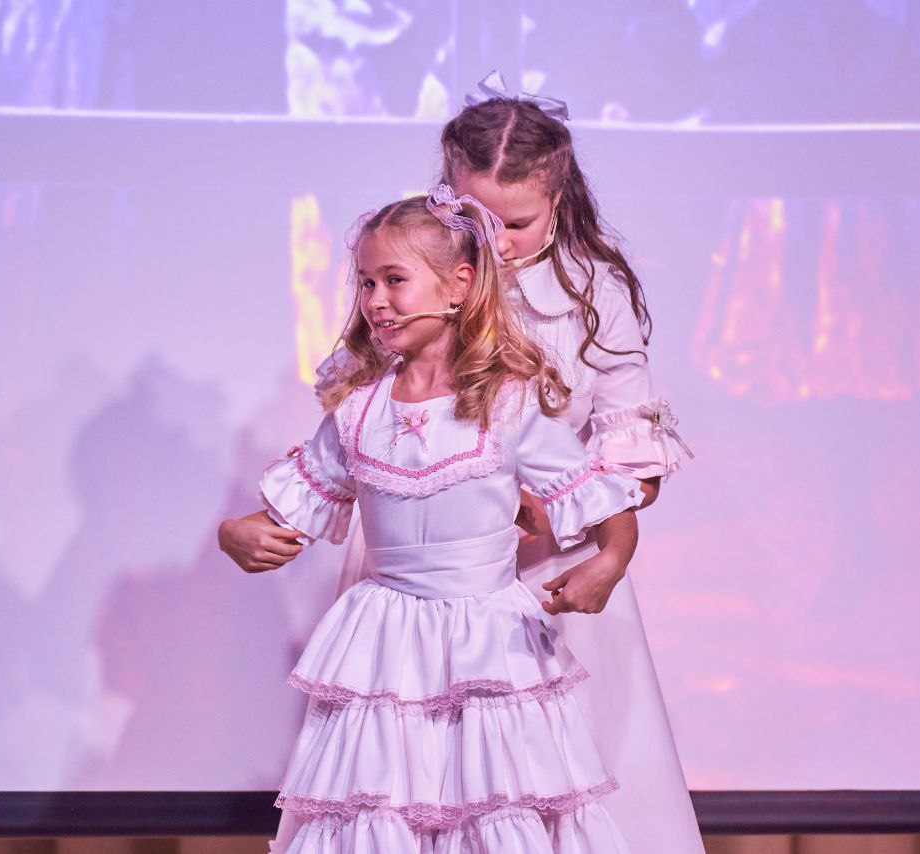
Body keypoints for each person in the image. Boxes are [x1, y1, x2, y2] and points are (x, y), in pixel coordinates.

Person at [220, 74, 703, 850]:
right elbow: (355, 428)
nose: (496, 239)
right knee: (398, 780)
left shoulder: (592, 294)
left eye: (516, 222)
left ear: (557, 200)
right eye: (474, 216)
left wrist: (572, 526)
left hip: (551, 576)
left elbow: (624, 454)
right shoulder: (410, 285)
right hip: (413, 572)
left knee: (547, 782)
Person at [251, 186, 644, 851]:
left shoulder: (507, 406)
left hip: (485, 639)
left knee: (492, 799)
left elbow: (605, 503)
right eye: (366, 283)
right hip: (386, 641)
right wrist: (239, 532)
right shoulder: (359, 411)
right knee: (380, 800)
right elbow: (290, 508)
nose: (375, 300)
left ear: (459, 285)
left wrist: (609, 563)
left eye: (394, 280)